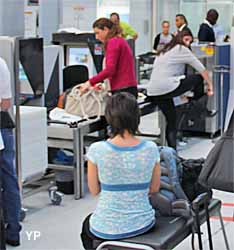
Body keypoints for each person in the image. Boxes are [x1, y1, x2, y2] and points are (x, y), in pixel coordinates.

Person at [80, 93, 161, 250]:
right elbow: (154, 189)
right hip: (142, 223)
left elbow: (94, 190)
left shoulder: (97, 150)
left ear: (109, 117)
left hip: (104, 228)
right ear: (136, 117)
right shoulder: (151, 148)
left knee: (86, 228)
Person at [147, 29, 213, 150]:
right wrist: (210, 86)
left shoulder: (165, 50)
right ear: (180, 38)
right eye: (186, 39)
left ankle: (172, 151)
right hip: (166, 87)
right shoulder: (181, 49)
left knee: (172, 120)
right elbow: (201, 69)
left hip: (153, 91)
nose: (188, 43)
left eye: (190, 41)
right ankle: (194, 101)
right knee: (198, 78)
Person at [80, 18, 138, 98]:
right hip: (128, 88)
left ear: (106, 29)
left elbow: (110, 70)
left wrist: (89, 82)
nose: (96, 37)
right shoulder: (120, 40)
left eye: (98, 33)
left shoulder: (113, 42)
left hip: (122, 91)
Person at [0, 57, 21, 246]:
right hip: (2, 127)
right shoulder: (1, 64)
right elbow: (6, 104)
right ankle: (13, 230)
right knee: (8, 178)